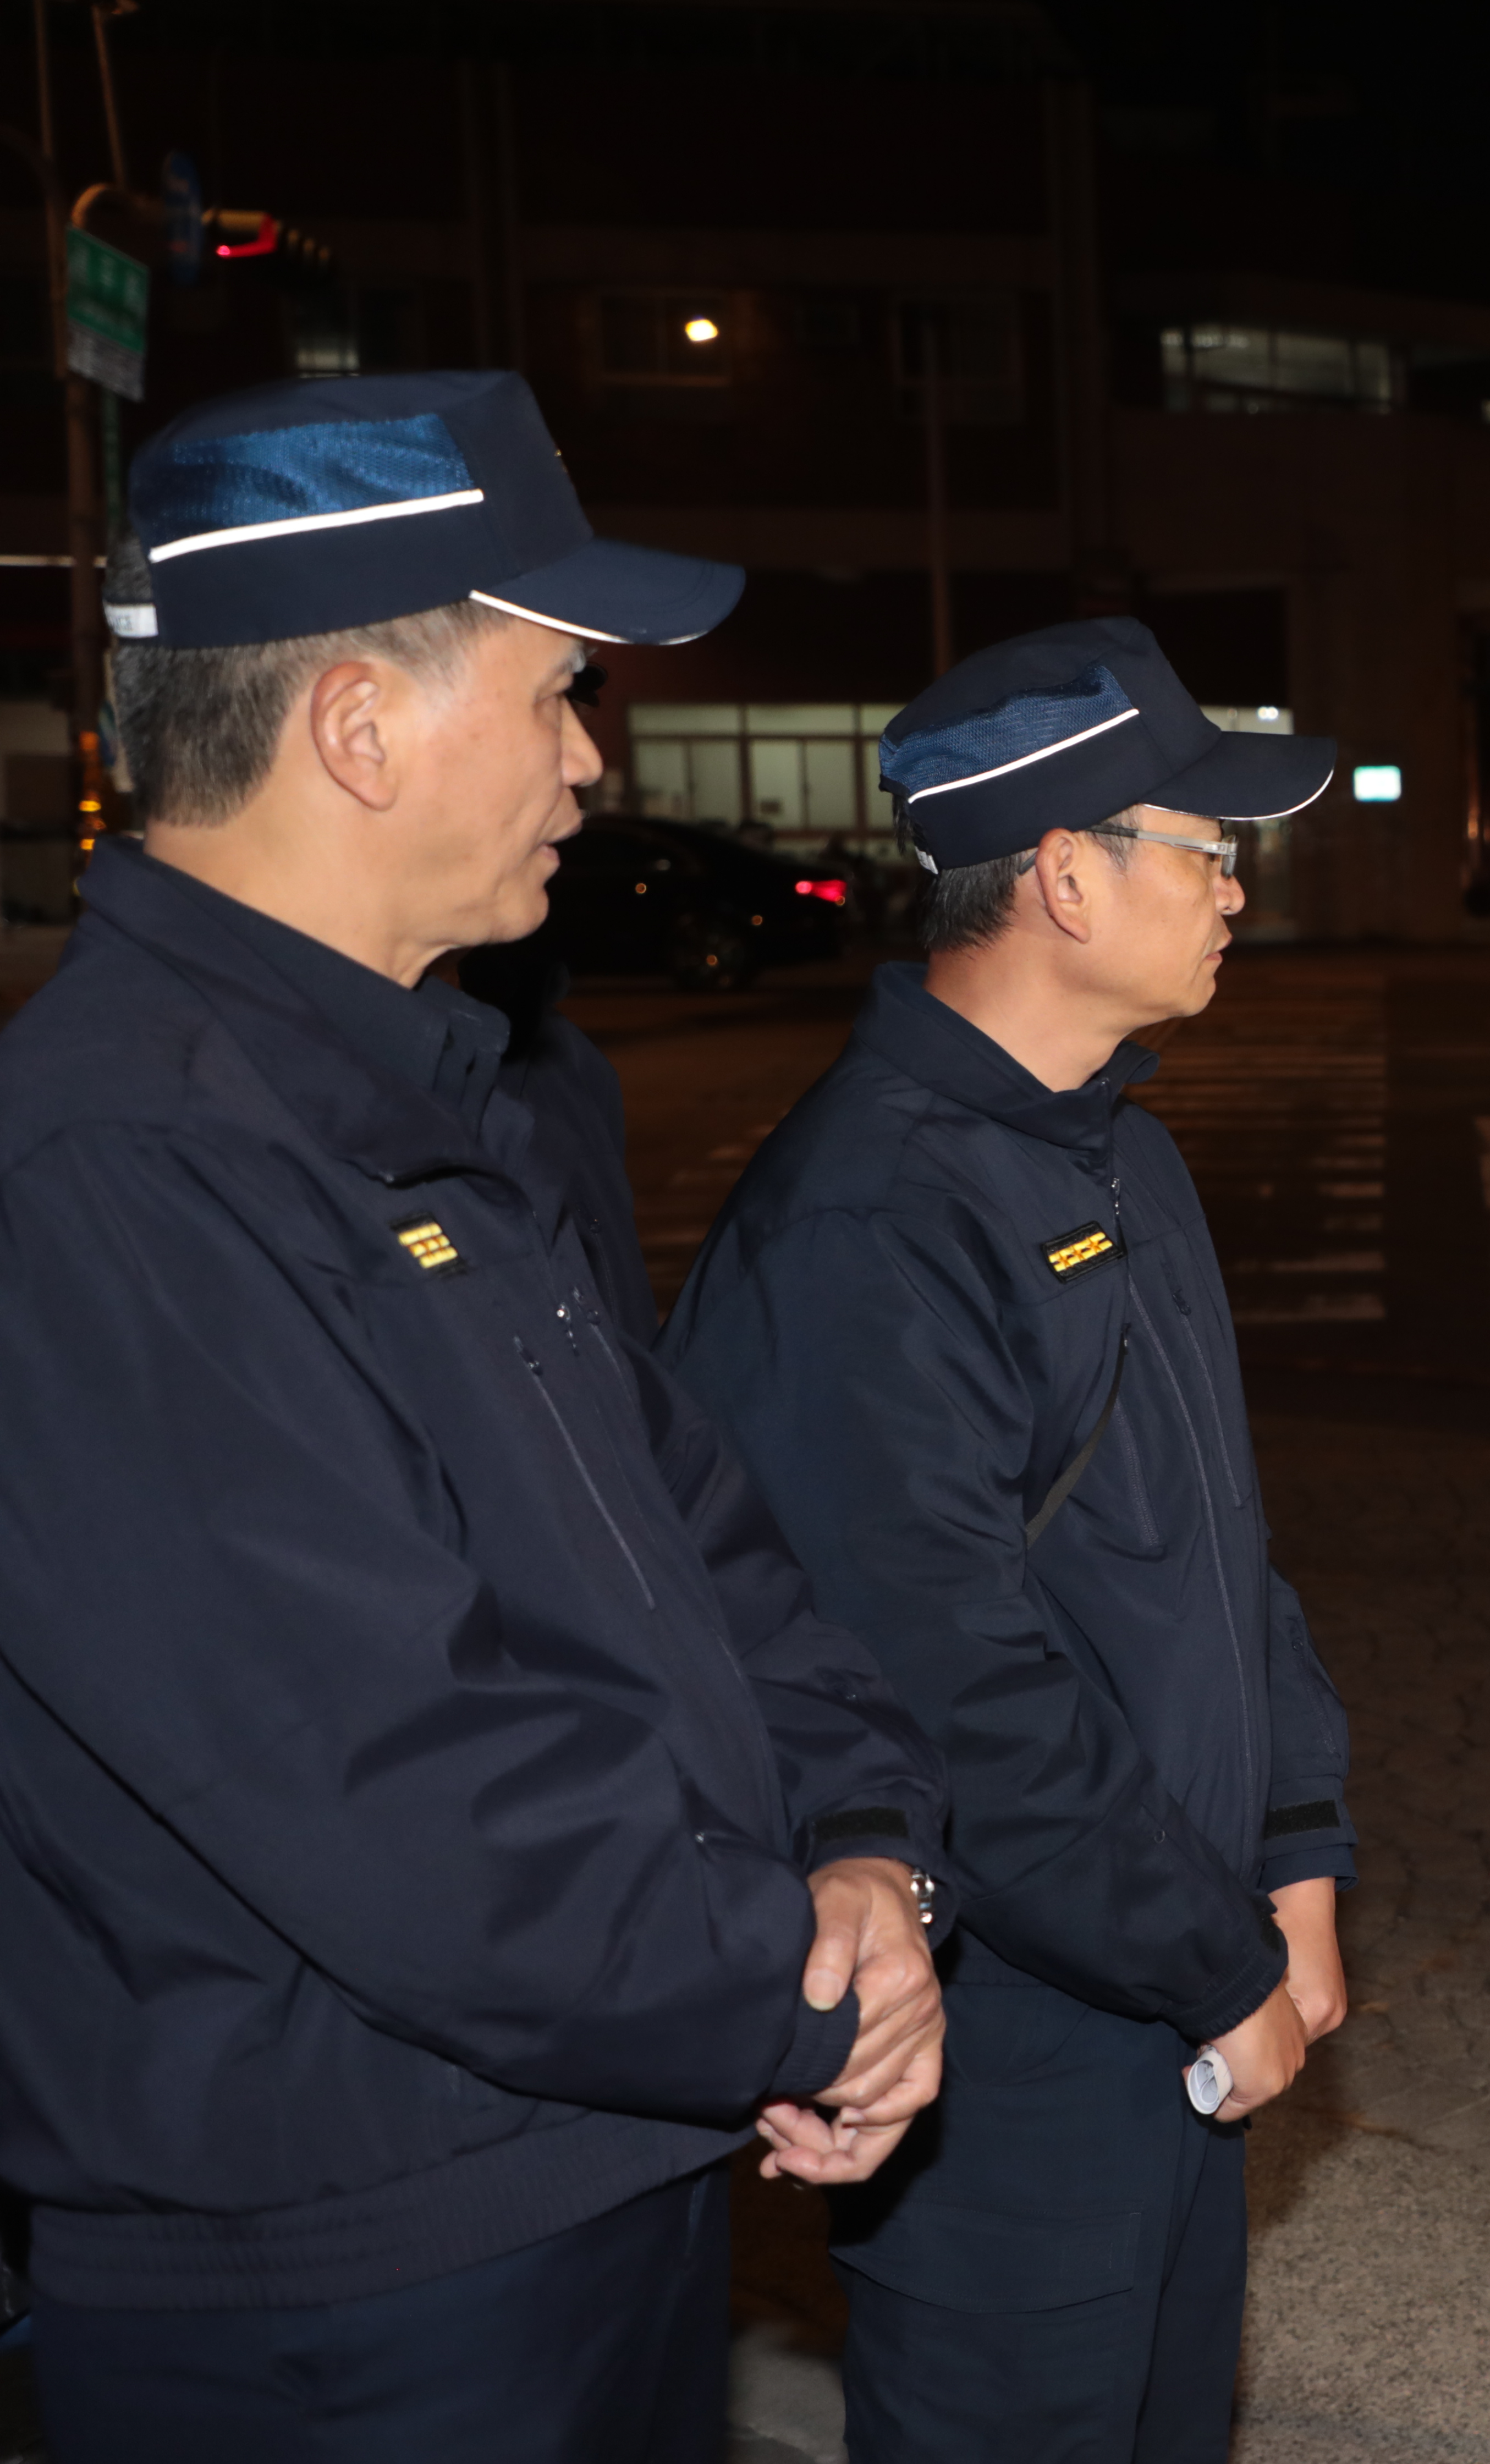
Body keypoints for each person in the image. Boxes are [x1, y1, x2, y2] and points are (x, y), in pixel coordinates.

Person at [0, 372, 950, 2462]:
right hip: (347, 2280)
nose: (591, 763)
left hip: (586, 2166)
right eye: (555, 696)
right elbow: (375, 1775)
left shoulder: (424, 1106)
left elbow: (703, 1554)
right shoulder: (119, 1169)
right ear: (358, 725)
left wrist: (868, 1852)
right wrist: (789, 1984)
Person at [661, 619, 1359, 2464]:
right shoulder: (870, 1219)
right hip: (1012, 2048)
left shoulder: (1115, 1148)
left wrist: (1292, 1849)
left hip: (1169, 1992)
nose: (1235, 885)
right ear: (1063, 875)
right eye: (1201, 848)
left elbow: (1222, 1541)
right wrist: (1211, 1959)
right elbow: (939, 1685)